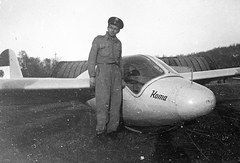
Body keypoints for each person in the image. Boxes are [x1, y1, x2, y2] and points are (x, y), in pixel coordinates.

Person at [88, 17, 124, 142]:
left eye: (116, 29)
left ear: (118, 31)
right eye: (111, 28)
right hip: (102, 72)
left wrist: (122, 78)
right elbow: (92, 57)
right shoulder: (98, 39)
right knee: (103, 102)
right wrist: (92, 75)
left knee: (116, 103)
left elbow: (120, 61)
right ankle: (101, 130)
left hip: (116, 73)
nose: (113, 31)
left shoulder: (118, 43)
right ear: (107, 27)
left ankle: (112, 130)